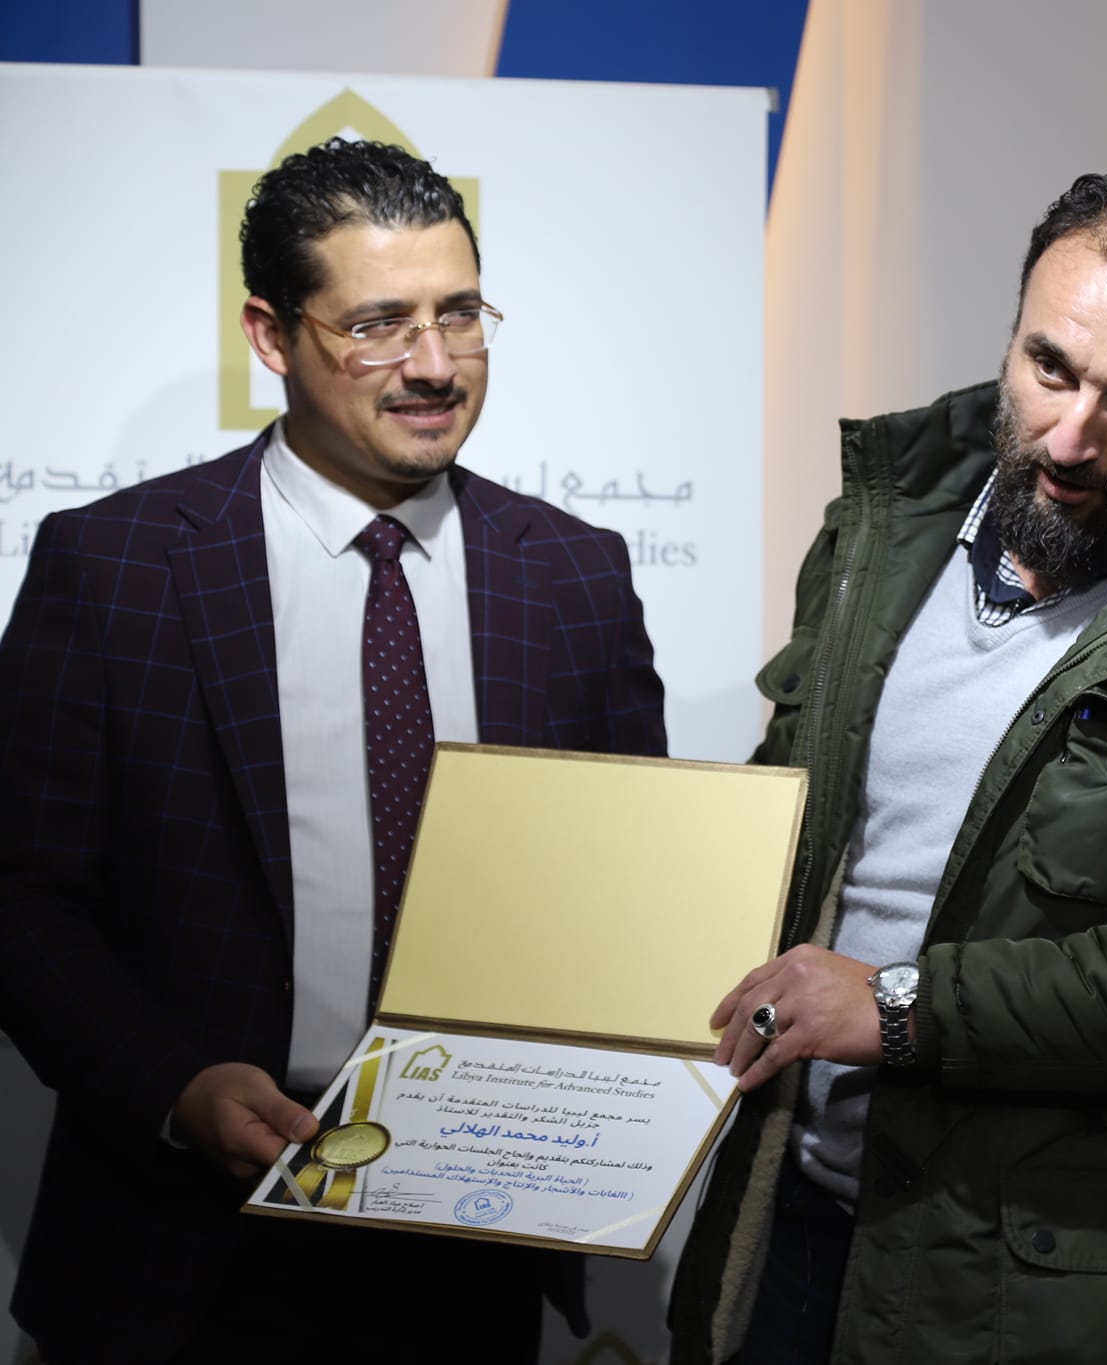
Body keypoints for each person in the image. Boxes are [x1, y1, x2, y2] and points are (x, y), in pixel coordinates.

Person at [665, 171, 1107, 1364]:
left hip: (1052, 1295)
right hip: (791, 1224)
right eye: (1047, 367)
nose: (1068, 436)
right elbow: (799, 828)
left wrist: (900, 1008)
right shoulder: (886, 523)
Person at [0, 137, 666, 1364]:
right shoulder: (115, 566)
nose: (434, 365)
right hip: (176, 1245)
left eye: (458, 315)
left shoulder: (575, 574)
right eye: (377, 325)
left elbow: (623, 895)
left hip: (473, 1238)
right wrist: (174, 1087)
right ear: (271, 335)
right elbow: (23, 893)